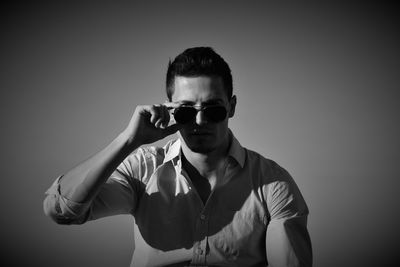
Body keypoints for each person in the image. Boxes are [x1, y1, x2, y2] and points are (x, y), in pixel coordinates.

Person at [43, 47, 312, 267]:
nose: (199, 120)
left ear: (232, 107)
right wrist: (128, 140)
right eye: (185, 111)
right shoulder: (143, 168)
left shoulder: (272, 184)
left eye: (213, 109)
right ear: (170, 109)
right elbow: (62, 211)